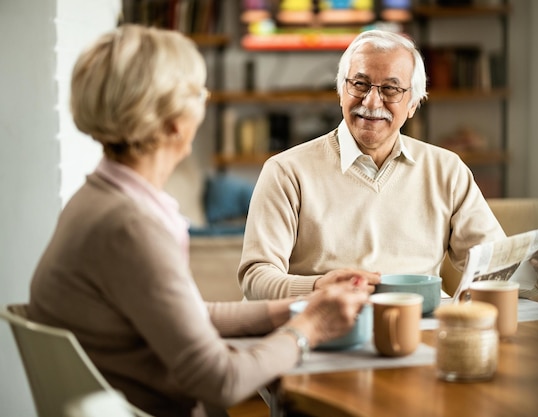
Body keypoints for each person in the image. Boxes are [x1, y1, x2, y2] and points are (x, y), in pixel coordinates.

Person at [27, 24, 371, 417]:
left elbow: (192, 316)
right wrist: (309, 329)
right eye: (199, 93)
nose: (204, 104)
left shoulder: (99, 199)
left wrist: (303, 305)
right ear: (174, 121)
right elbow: (221, 381)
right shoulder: (130, 227)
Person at [238, 29, 538, 300]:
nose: (371, 101)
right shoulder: (285, 171)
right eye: (360, 84)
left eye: (391, 89)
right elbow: (256, 279)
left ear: (412, 104)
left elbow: (494, 266)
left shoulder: (446, 170)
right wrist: (317, 286)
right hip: (324, 329)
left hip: (426, 333)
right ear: (341, 91)